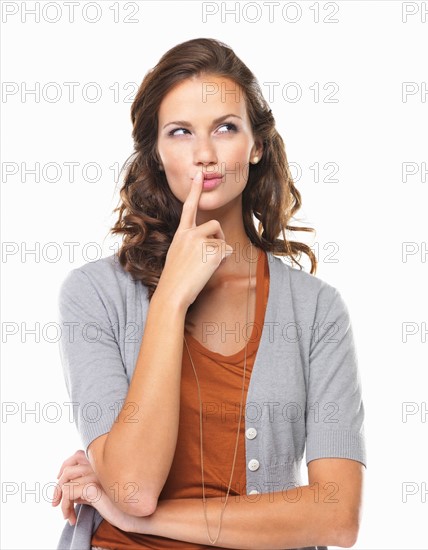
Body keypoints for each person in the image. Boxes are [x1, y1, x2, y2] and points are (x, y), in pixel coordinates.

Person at [52, 37, 366, 550]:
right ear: (155, 151)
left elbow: (337, 516)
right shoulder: (93, 294)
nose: (204, 154)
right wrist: (172, 297)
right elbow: (132, 489)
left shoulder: (316, 309)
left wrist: (145, 520)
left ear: (257, 145)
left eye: (225, 128)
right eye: (180, 132)